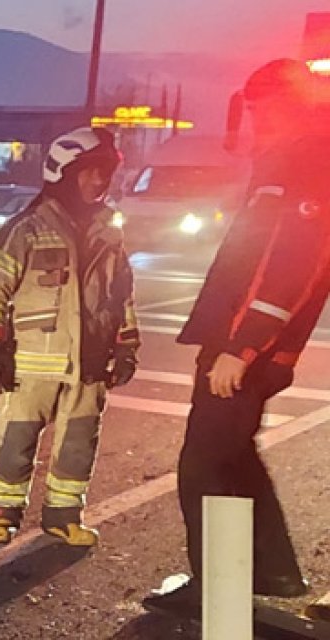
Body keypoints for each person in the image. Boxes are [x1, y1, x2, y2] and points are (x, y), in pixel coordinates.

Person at [142, 58, 330, 614]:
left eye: (262, 107)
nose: (255, 119)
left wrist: (242, 346)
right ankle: (270, 573)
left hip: (247, 350)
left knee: (204, 463)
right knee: (232, 455)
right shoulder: (292, 156)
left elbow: (295, 263)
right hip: (238, 345)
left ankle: (218, 590)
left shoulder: (307, 157)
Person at [0, 126, 140, 547]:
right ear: (63, 173)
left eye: (104, 173)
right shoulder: (26, 228)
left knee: (78, 444)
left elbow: (122, 295)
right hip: (32, 363)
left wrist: (126, 346)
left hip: (90, 364)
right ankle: (4, 514)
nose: (98, 181)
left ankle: (64, 516)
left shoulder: (110, 232)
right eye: (88, 172)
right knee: (16, 441)